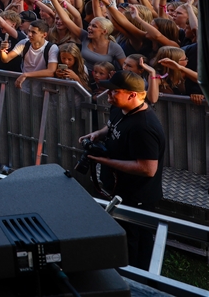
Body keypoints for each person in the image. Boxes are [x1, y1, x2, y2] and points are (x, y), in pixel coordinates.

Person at [80, 71, 165, 270]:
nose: (108, 96)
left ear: (133, 95)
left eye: (114, 92)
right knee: (120, 235)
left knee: (135, 243)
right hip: (120, 190)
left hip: (138, 196)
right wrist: (96, 135)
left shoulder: (144, 127)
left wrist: (106, 161)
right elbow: (111, 127)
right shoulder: (120, 109)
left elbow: (147, 169)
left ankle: (136, 280)